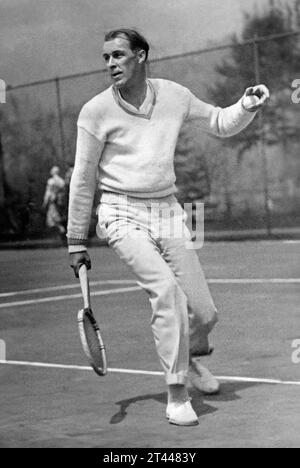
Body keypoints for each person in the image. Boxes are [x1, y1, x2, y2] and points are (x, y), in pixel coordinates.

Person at [67, 29, 270, 426]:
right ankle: (176, 394)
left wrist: (245, 105)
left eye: (119, 55)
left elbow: (218, 121)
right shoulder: (94, 112)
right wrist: (76, 238)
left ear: (141, 56)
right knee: (165, 291)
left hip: (168, 211)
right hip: (120, 213)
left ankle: (189, 359)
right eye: (106, 57)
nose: (110, 64)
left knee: (205, 312)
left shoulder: (174, 95)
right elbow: (83, 177)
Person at [43, 166, 66, 238]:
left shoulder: (51, 181)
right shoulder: (61, 181)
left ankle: (61, 230)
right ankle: (60, 232)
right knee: (56, 216)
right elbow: (63, 192)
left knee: (51, 218)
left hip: (52, 201)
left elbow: (48, 192)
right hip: (59, 201)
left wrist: (45, 202)